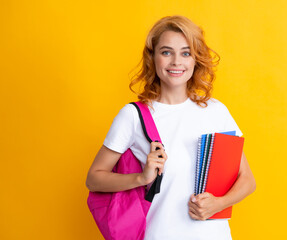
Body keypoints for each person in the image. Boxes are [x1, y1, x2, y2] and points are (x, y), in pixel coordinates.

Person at [86, 15, 256, 240]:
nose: (176, 61)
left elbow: (247, 180)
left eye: (186, 53)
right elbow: (94, 178)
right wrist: (141, 178)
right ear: (153, 58)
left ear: (196, 60)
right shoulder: (134, 116)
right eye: (166, 52)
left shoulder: (216, 111)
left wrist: (219, 203)